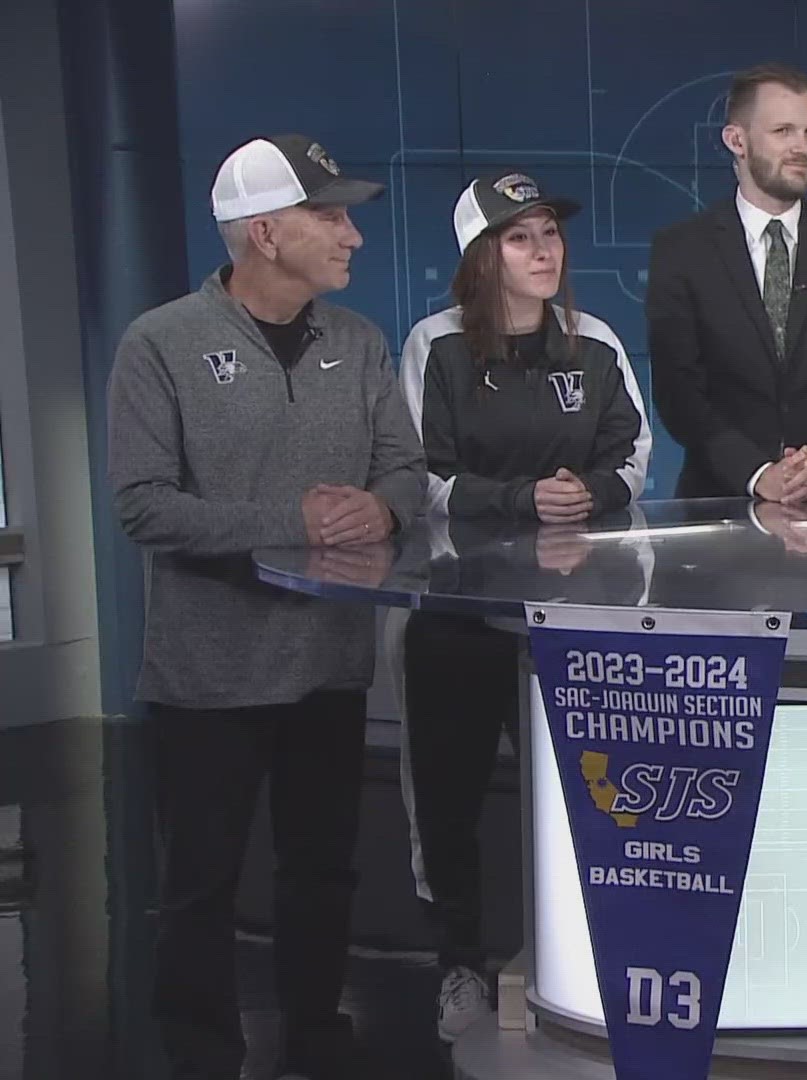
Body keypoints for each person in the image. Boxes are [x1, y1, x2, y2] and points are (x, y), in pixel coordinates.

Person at [107, 133, 426, 1079]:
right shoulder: (159, 343)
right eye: (327, 215)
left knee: (322, 870)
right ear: (262, 233)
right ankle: (201, 1052)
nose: (351, 235)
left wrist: (380, 507)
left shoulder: (359, 342)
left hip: (329, 664)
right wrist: (287, 522)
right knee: (200, 884)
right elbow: (141, 504)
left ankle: (318, 1035)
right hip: (209, 674)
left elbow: (403, 469)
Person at [397, 169, 651, 1042]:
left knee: (594, 795)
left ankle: (593, 966)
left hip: (580, 618)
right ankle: (459, 964)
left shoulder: (595, 343)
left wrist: (592, 490)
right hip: (460, 615)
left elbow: (633, 456)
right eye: (520, 237)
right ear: (482, 255)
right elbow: (418, 477)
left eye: (550, 233)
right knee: (449, 796)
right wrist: (519, 502)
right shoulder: (435, 347)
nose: (544, 250)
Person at [647, 61, 807, 501]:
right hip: (721, 500)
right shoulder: (682, 249)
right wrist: (757, 473)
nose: (802, 147)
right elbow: (679, 390)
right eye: (783, 131)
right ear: (736, 140)